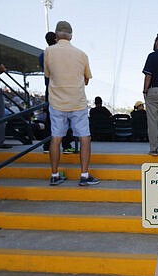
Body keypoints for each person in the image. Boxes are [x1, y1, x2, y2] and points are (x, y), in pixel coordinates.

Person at [44, 20, 99, 186]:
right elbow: (87, 79)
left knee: (56, 138)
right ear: (71, 36)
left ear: (56, 35)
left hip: (57, 102)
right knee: (84, 138)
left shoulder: (48, 51)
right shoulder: (81, 55)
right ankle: (84, 175)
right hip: (77, 102)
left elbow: (48, 74)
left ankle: (54, 175)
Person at [39, 31, 75, 154]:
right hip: (61, 89)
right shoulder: (60, 54)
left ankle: (47, 146)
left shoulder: (43, 55)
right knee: (66, 117)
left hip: (50, 89)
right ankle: (66, 145)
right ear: (55, 39)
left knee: (50, 118)